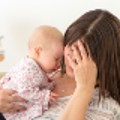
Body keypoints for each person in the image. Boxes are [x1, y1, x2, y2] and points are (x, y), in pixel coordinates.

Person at [34, 9, 120, 120]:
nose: (74, 57)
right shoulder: (45, 70)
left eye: (84, 53)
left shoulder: (106, 106)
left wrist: (84, 88)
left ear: (103, 61)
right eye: (73, 47)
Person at [0, 25, 63, 120]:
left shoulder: (34, 66)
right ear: (38, 51)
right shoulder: (29, 68)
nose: (59, 64)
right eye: (56, 59)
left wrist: (47, 81)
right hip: (7, 112)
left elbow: (36, 82)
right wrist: (44, 96)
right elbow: (25, 90)